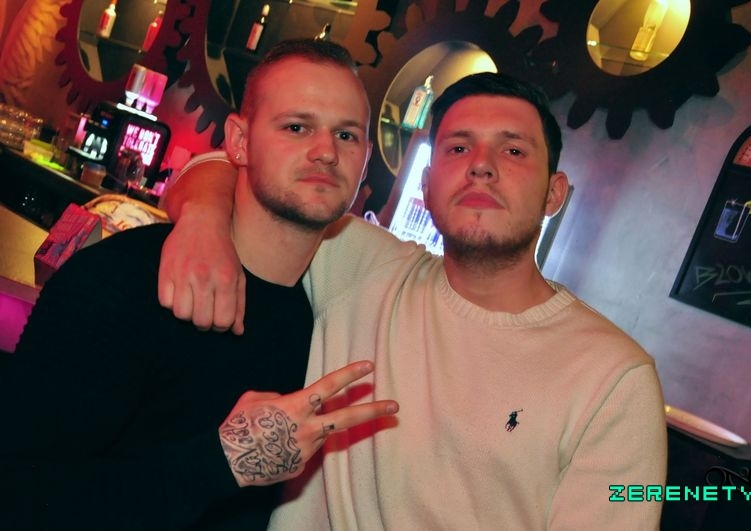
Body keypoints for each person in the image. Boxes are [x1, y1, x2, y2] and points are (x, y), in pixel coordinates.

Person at [159, 72, 667, 529]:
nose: (482, 167)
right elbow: (229, 165)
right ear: (426, 184)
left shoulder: (613, 377)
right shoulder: (358, 264)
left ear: (554, 194)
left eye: (513, 151)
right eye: (458, 148)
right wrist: (203, 221)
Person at [0, 39, 398, 530]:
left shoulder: (319, 319)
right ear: (239, 141)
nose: (326, 152)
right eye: (297, 127)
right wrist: (221, 462)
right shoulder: (123, 279)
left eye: (346, 135)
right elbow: (17, 497)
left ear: (364, 163)